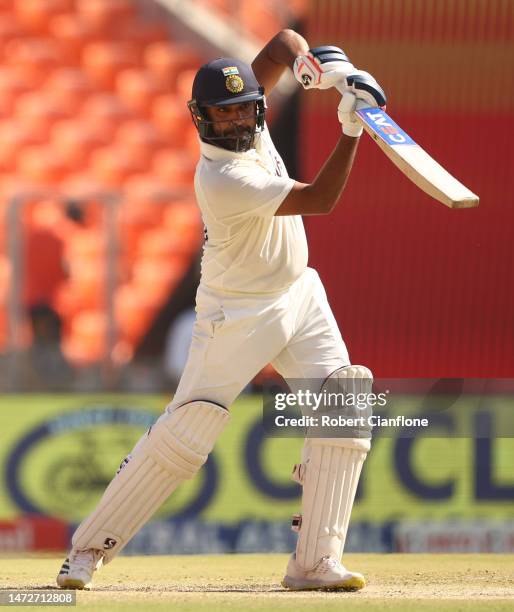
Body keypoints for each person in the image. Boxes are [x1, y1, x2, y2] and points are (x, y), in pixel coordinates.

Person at [56, 29, 386, 591]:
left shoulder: (250, 124)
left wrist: (319, 69)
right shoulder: (223, 174)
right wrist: (351, 127)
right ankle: (86, 551)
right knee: (185, 436)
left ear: (255, 108)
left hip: (299, 294)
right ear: (201, 119)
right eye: (222, 113)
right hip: (236, 313)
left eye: (243, 110)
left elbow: (282, 44)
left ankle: (313, 564)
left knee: (344, 404)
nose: (235, 122)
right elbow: (321, 201)